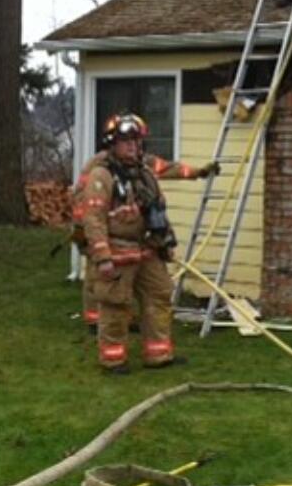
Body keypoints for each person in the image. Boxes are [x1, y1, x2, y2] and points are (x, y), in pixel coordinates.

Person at [73, 112, 218, 371]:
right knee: (116, 306)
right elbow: (93, 219)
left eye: (136, 141)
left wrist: (199, 172)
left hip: (148, 248)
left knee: (160, 295)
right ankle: (113, 358)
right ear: (112, 143)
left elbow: (167, 177)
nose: (133, 146)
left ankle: (158, 355)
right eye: (126, 141)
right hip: (117, 251)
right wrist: (103, 257)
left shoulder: (144, 170)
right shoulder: (101, 175)